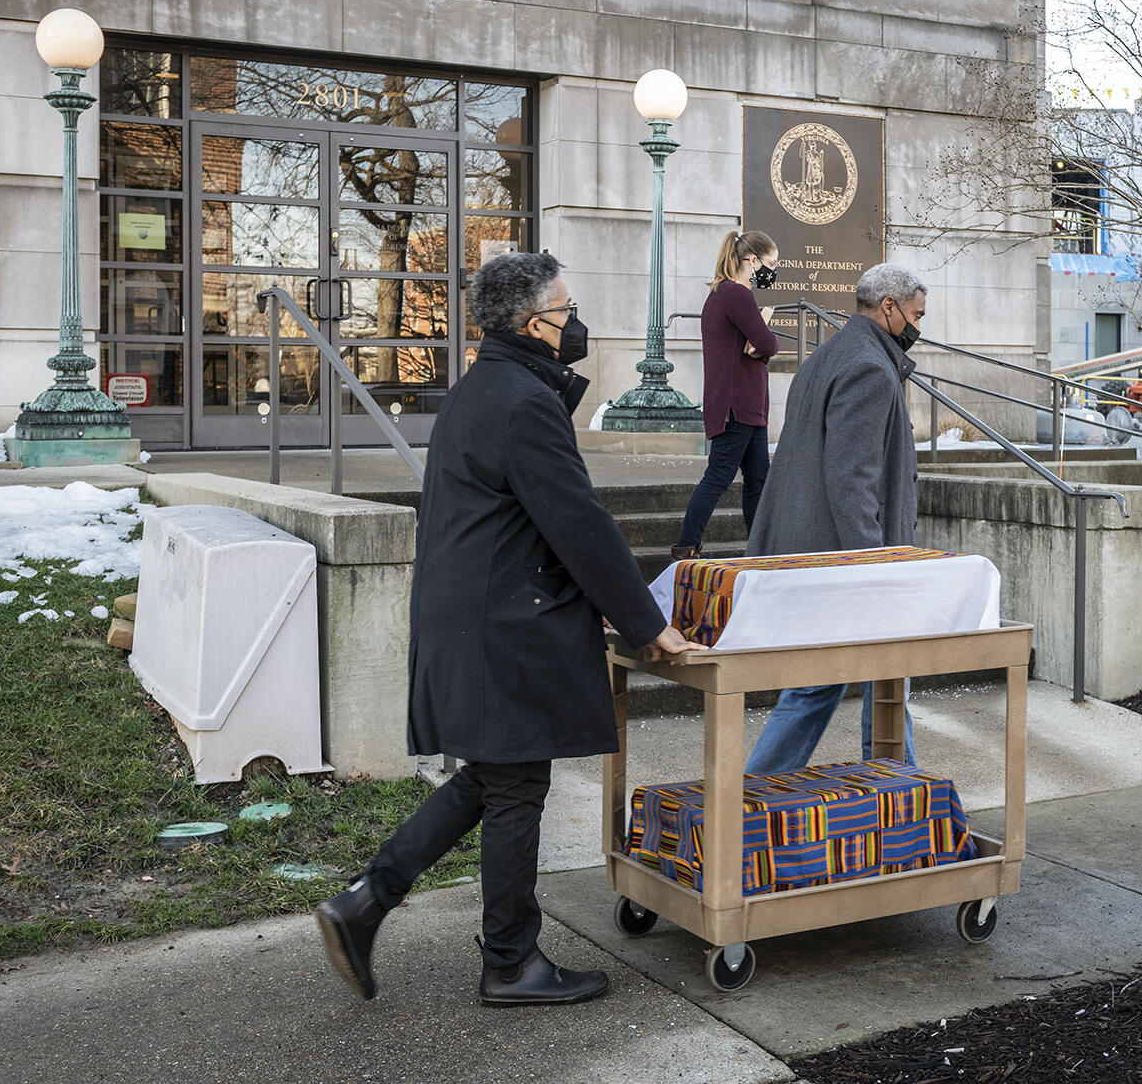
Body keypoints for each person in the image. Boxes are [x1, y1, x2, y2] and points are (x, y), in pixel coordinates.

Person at [314, 252, 702, 1008]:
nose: (576, 321)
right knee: (517, 786)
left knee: (496, 777)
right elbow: (579, 525)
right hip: (505, 622)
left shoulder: (482, 389)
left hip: (479, 613)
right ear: (536, 324)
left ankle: (366, 901)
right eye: (566, 309)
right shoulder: (525, 402)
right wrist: (649, 624)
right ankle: (510, 962)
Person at [741, 263, 928, 775]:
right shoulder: (868, 365)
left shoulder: (829, 354)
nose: (919, 326)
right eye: (916, 314)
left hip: (818, 553)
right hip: (844, 559)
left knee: (840, 682)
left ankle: (897, 786)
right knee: (869, 680)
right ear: (888, 306)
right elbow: (854, 480)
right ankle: (900, 793)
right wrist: (876, 563)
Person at [672, 230, 781, 560]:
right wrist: (759, 349)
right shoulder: (736, 294)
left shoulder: (723, 294)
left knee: (757, 479)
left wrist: (756, 348)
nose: (773, 271)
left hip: (743, 404)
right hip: (738, 404)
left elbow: (756, 344)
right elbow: (769, 344)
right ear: (752, 261)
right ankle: (685, 546)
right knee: (720, 477)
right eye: (771, 264)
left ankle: (759, 549)